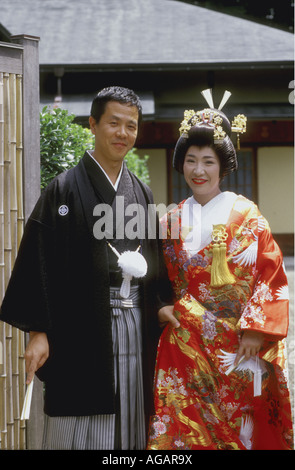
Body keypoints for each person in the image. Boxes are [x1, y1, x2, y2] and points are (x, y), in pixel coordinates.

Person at [0, 86, 171, 450]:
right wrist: (38, 331)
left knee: (131, 412)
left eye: (131, 126)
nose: (123, 133)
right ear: (92, 124)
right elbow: (38, 260)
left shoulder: (141, 193)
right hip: (78, 327)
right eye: (113, 123)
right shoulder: (62, 190)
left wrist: (159, 304)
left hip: (134, 323)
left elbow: (155, 263)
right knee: (78, 417)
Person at [147, 90, 294, 450]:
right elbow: (155, 278)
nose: (199, 171)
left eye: (209, 162)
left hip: (237, 344)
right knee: (183, 431)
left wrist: (257, 331)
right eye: (192, 160)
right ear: (181, 163)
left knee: (240, 429)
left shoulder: (245, 214)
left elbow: (271, 274)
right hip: (185, 343)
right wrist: (160, 306)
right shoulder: (170, 220)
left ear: (223, 167)